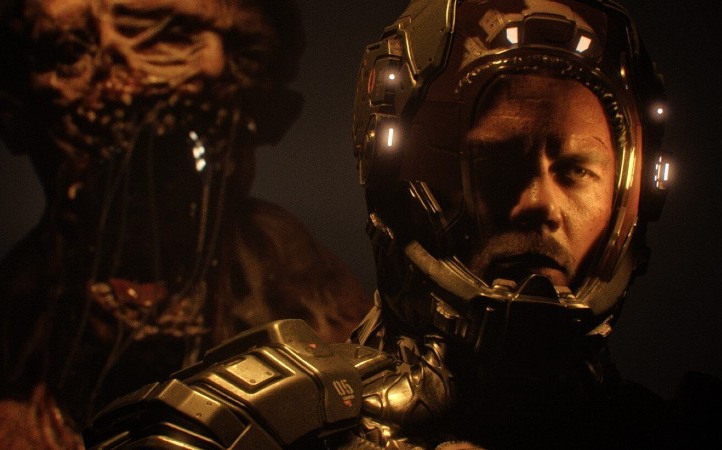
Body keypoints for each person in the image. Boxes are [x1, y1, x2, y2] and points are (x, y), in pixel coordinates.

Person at [84, 0, 685, 448]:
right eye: (497, 165)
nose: (541, 203)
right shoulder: (246, 429)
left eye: (577, 170)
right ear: (401, 182)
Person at [0, 0, 372, 448]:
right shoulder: (24, 303)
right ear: (15, 122)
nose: (211, 64)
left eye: (244, 54)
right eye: (155, 32)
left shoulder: (285, 268)